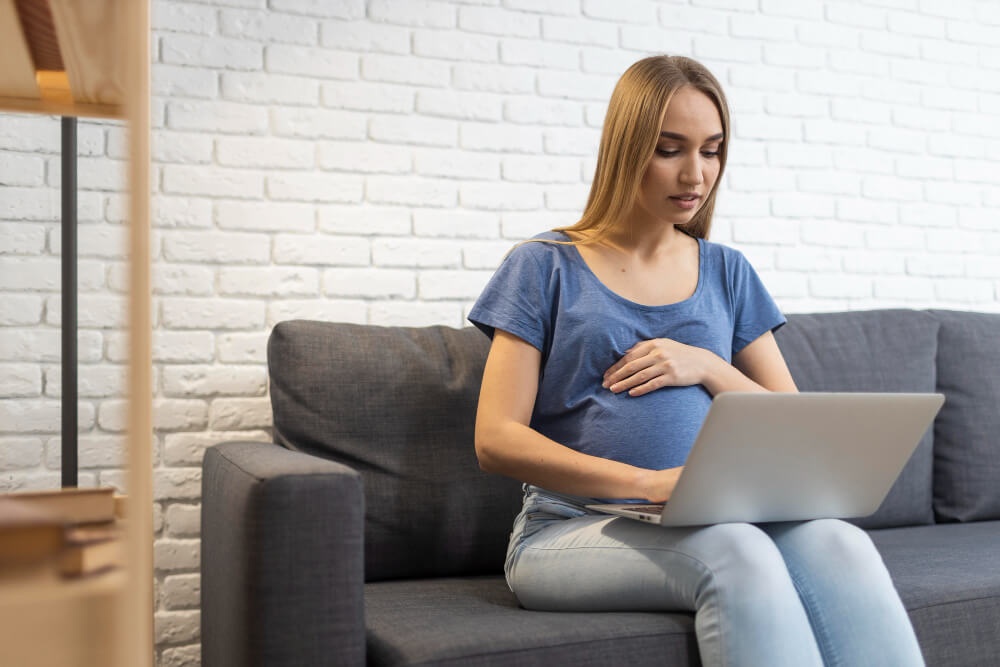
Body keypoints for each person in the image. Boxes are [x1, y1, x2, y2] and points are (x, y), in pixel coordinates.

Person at [467, 55, 924, 667]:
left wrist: (708, 366)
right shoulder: (544, 265)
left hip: (714, 516)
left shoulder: (728, 272)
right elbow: (495, 440)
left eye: (712, 151)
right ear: (626, 149)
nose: (696, 174)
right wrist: (650, 485)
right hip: (569, 527)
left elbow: (794, 427)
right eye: (669, 149)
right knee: (736, 551)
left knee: (842, 543)